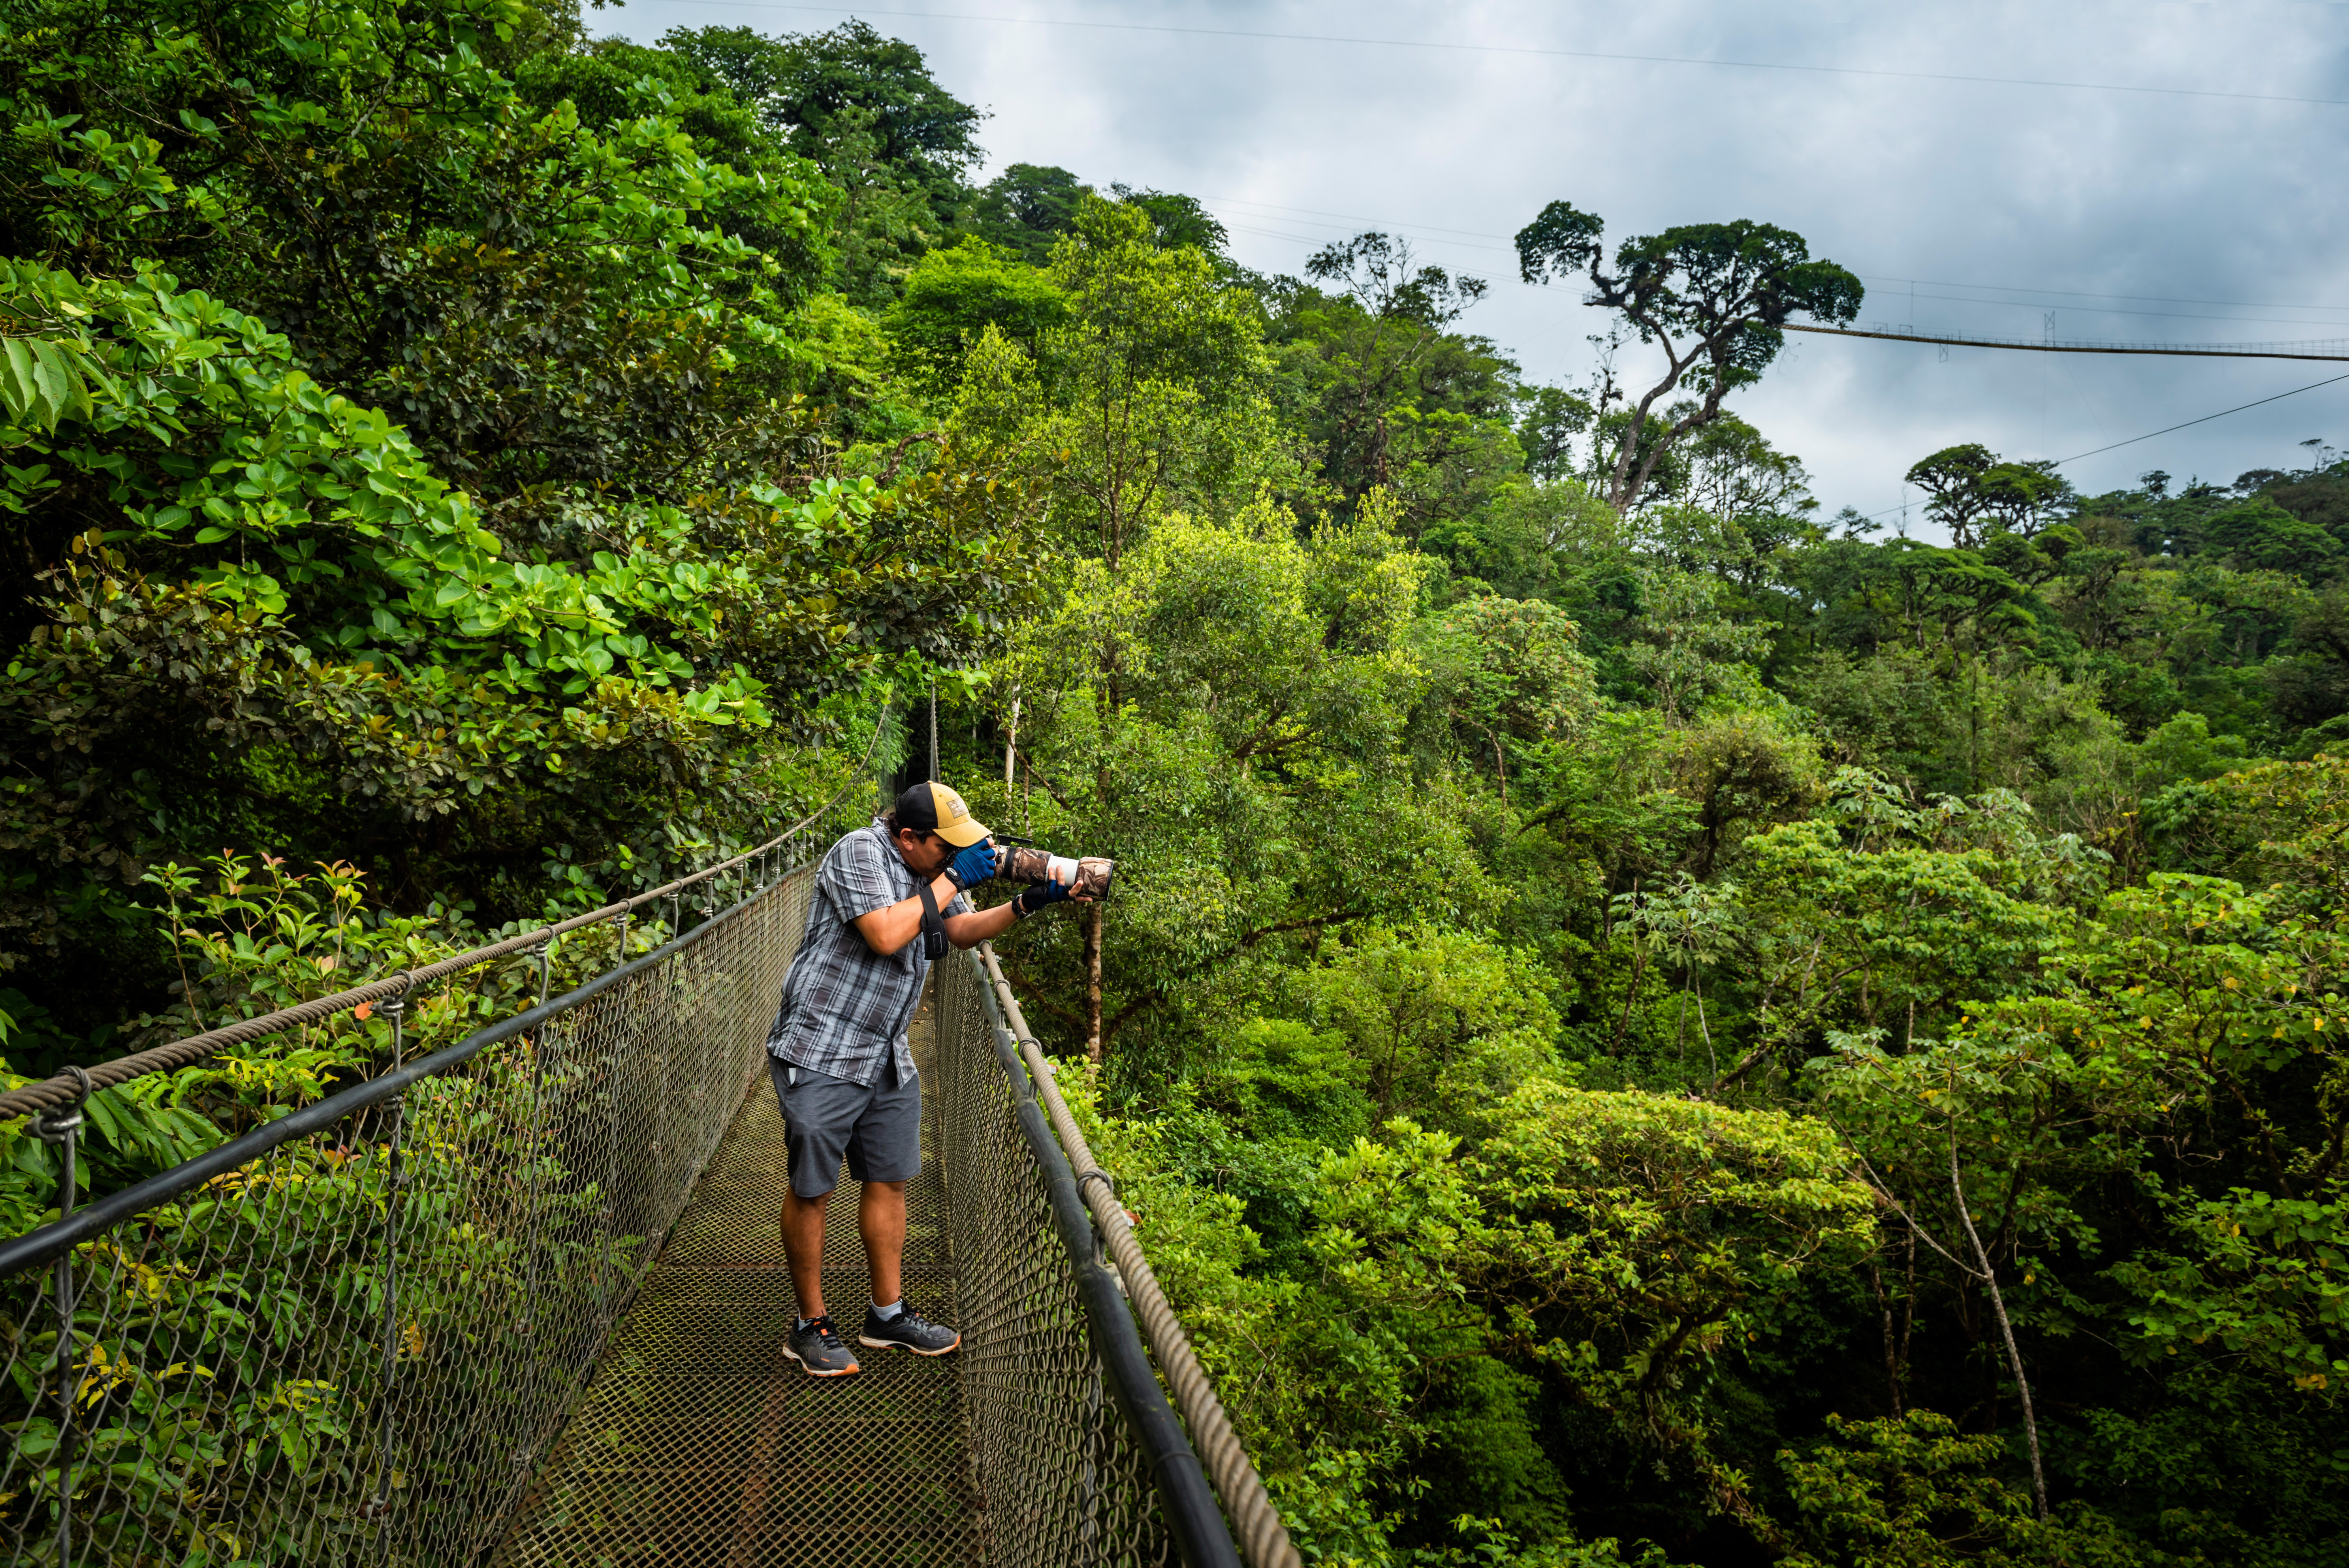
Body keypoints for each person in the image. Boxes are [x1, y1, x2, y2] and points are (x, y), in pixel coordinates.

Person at [763, 778, 1083, 1376]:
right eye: (945, 846)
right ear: (909, 838)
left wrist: (1029, 902)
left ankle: (886, 1314)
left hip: (887, 1050)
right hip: (822, 1045)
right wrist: (954, 877)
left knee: (889, 1178)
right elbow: (886, 934)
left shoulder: (930, 868)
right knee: (814, 1185)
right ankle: (809, 1324)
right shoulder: (859, 851)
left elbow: (958, 931)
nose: (953, 856)